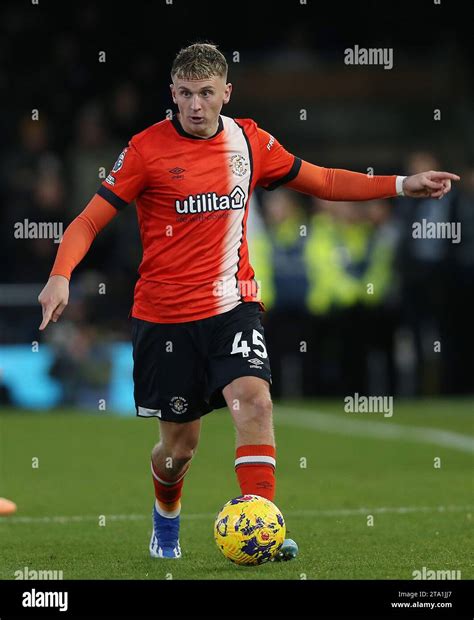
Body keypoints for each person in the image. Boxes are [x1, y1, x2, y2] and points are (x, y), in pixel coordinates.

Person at [38, 42, 459, 561]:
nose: (195, 105)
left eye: (207, 94)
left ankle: (261, 529)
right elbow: (87, 220)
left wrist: (399, 184)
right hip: (165, 319)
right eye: (186, 94)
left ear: (226, 93)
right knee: (178, 449)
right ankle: (165, 524)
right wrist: (60, 276)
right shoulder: (146, 150)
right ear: (172, 93)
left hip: (232, 305)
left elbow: (322, 180)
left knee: (255, 402)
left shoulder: (250, 140)